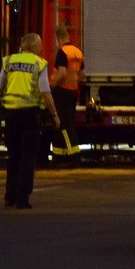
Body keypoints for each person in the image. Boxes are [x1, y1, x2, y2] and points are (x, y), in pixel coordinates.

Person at [0, 33, 60, 209]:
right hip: (30, 115)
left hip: (10, 115)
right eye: (40, 45)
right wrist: (54, 114)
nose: (42, 48)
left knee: (14, 156)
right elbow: (45, 92)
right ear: (32, 47)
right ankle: (22, 198)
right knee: (28, 157)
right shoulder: (38, 63)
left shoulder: (9, 61)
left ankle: (10, 196)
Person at [46, 25, 84, 165]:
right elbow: (82, 74)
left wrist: (51, 86)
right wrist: (73, 83)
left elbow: (61, 73)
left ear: (59, 38)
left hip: (61, 92)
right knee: (64, 125)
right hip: (73, 92)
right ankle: (59, 156)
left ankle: (74, 156)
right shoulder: (77, 52)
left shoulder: (62, 52)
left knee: (63, 125)